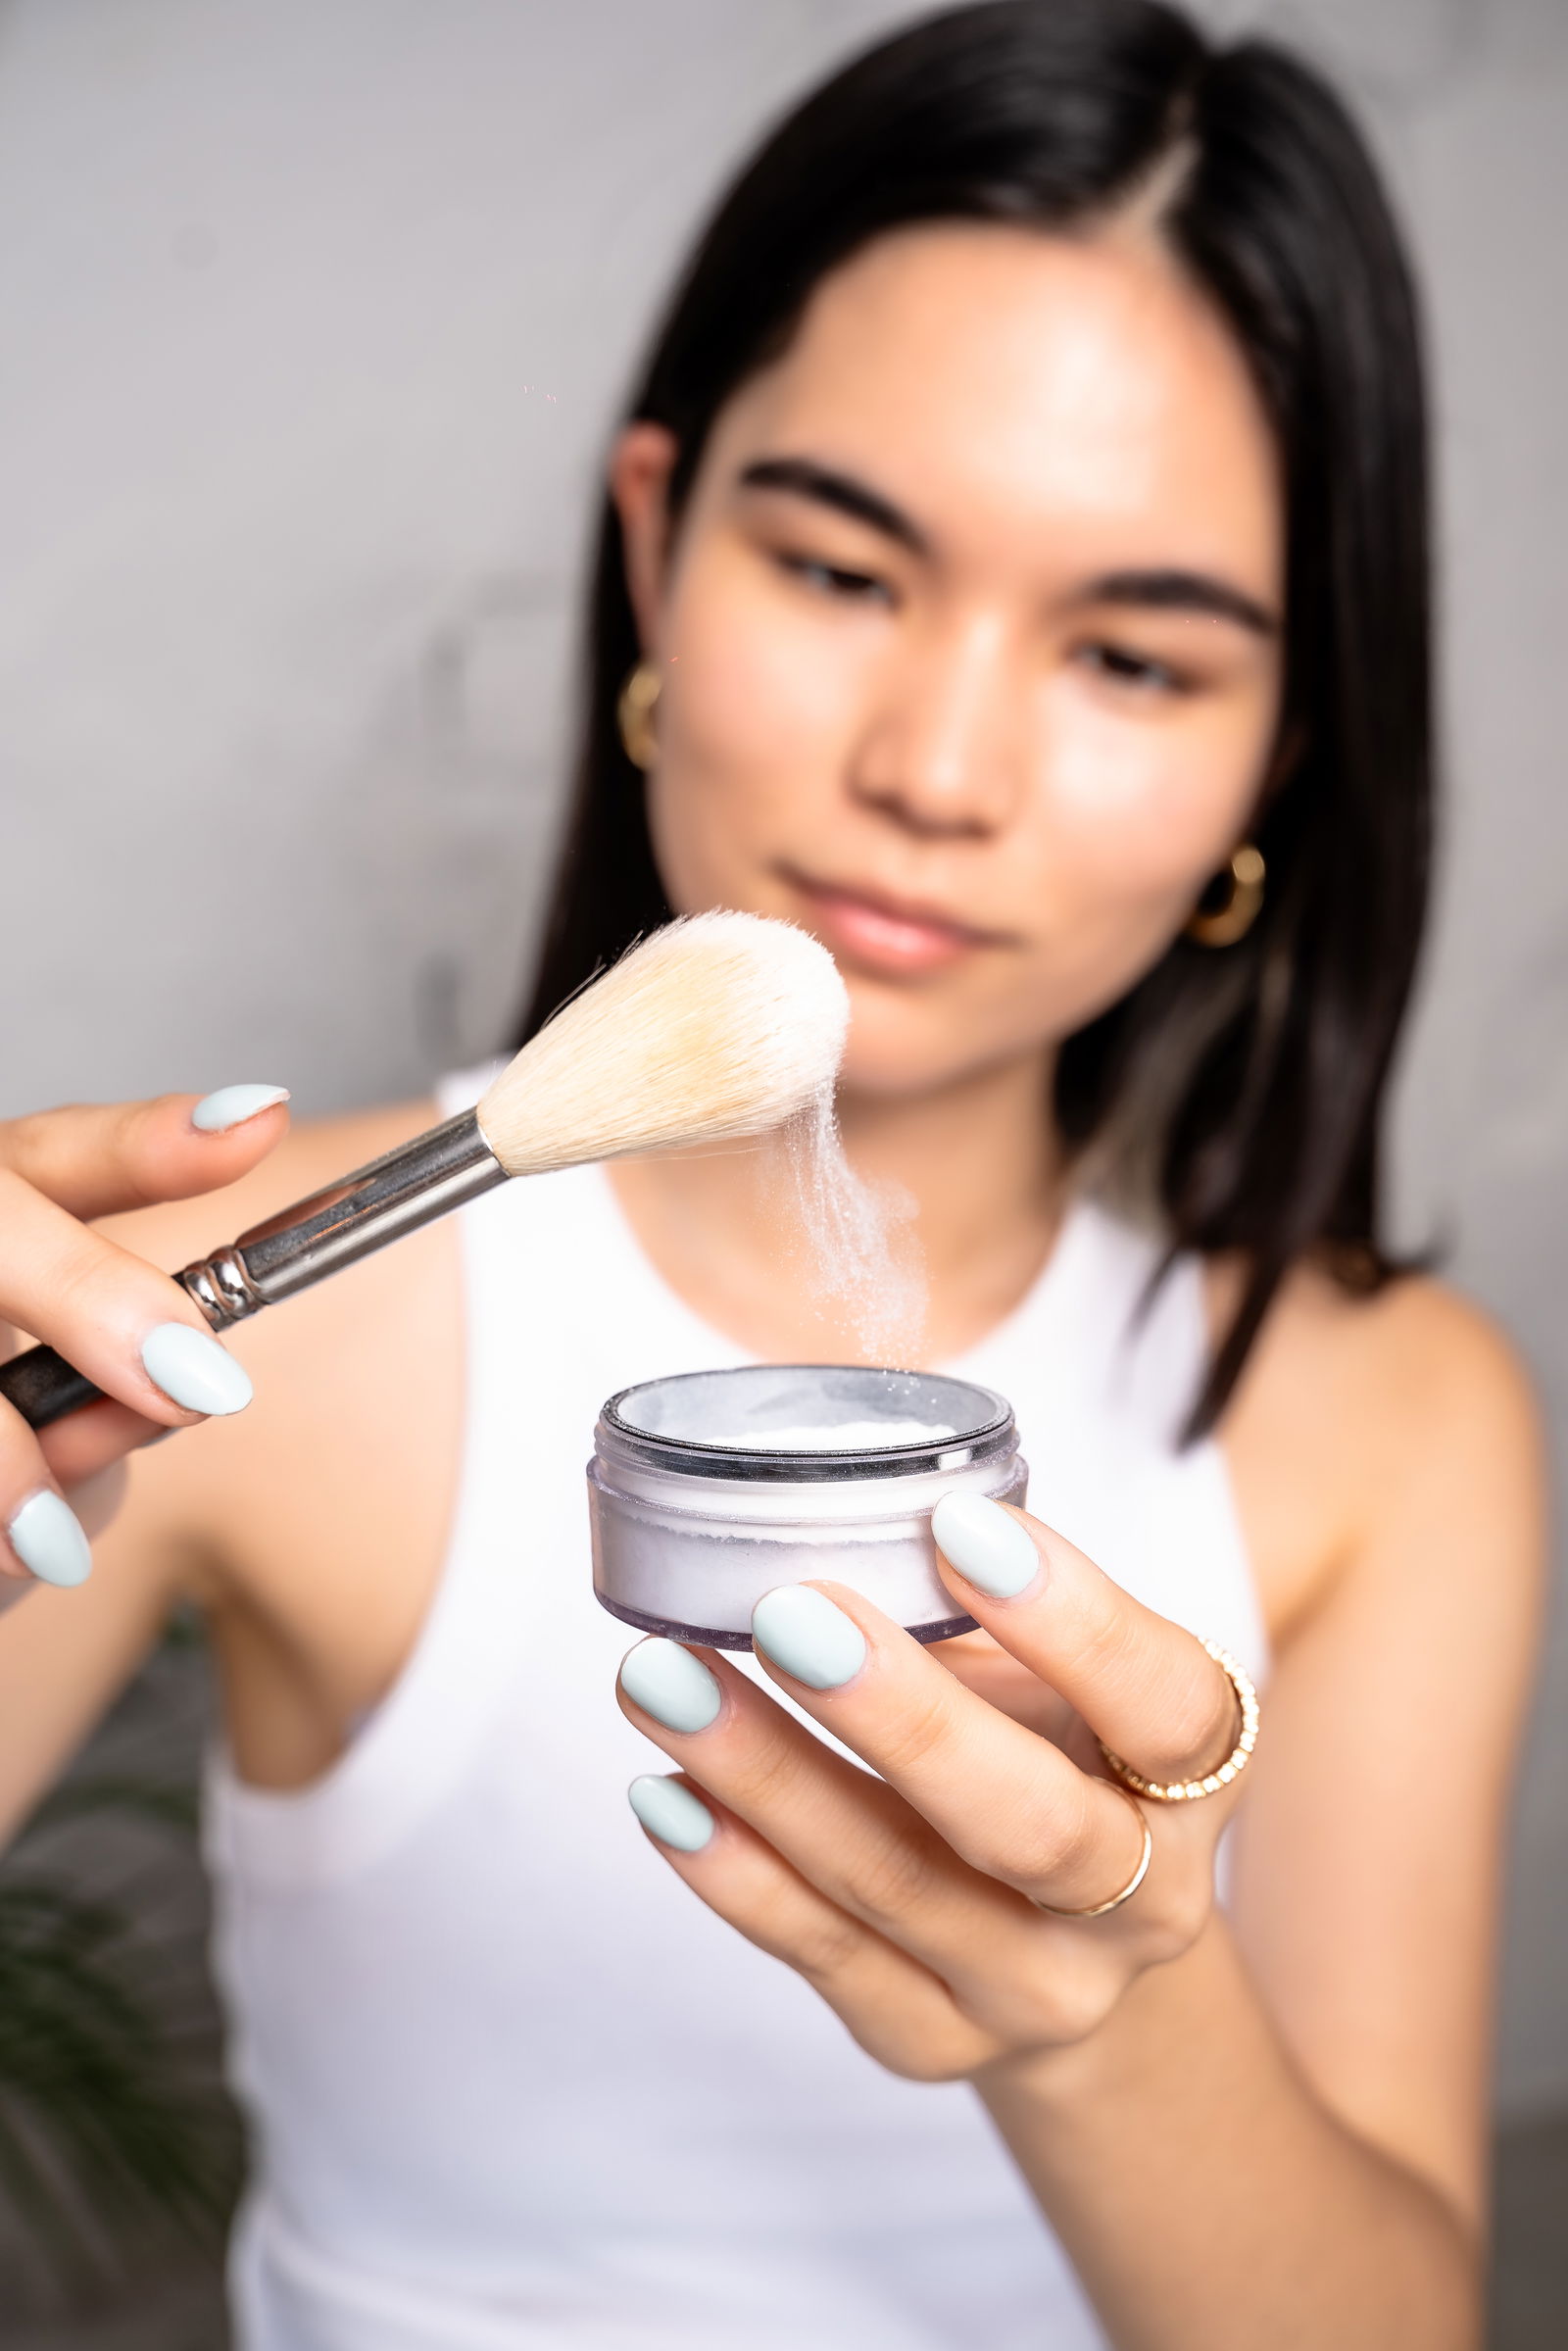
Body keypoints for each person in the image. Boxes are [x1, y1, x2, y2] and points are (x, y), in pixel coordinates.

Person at [0, 3, 1544, 2344]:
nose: (934, 765)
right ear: (655, 546)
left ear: (1278, 754)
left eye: (1131, 660)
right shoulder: (219, 1318)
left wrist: (1102, 2020)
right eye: (837, 570)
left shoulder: (1390, 1422)